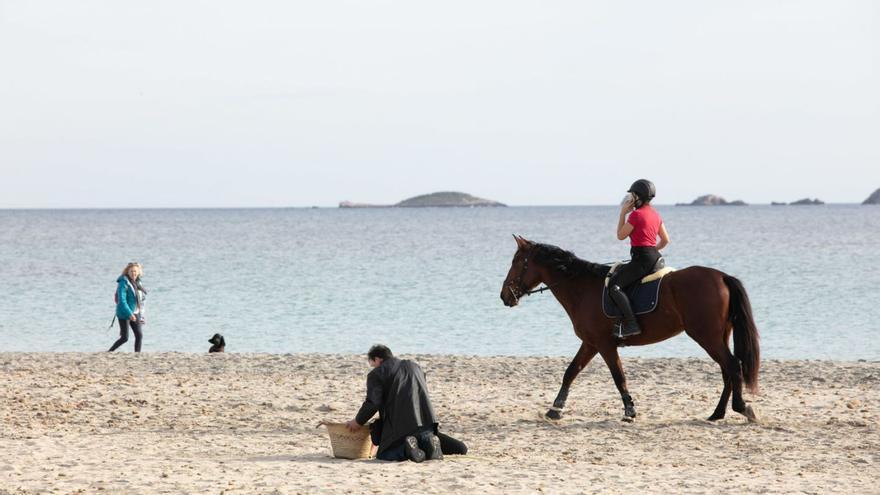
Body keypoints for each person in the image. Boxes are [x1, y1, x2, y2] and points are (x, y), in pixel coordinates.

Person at [346, 344, 467, 462]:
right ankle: (431, 443)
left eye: (373, 364)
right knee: (460, 448)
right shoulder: (415, 367)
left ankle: (406, 449)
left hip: (401, 429)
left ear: (377, 359)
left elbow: (373, 403)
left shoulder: (377, 374)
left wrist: (358, 421)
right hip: (426, 424)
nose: (374, 368)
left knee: (384, 454)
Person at [609, 179, 670, 338]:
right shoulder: (656, 215)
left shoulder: (635, 215)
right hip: (655, 258)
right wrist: (651, 250)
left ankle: (632, 324)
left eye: (633, 195)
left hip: (642, 260)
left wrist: (623, 213)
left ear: (638, 196)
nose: (631, 198)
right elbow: (665, 241)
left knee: (614, 286)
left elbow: (620, 236)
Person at [108, 262, 146, 352]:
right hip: (124, 313)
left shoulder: (138, 282)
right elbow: (122, 301)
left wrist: (141, 315)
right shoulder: (123, 282)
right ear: (127, 272)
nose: (134, 273)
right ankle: (109, 352)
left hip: (136, 312)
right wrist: (129, 314)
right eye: (132, 271)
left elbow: (142, 300)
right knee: (125, 338)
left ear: (139, 272)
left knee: (139, 335)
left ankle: (137, 355)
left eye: (135, 271)